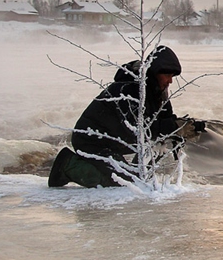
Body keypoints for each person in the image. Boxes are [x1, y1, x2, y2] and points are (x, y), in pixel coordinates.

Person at [48, 45, 204, 188]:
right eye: (168, 75)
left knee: (140, 175)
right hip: (91, 140)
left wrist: (183, 127)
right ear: (155, 72)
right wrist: (175, 127)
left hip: (114, 140)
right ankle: (67, 165)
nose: (170, 81)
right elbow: (139, 129)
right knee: (122, 183)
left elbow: (165, 119)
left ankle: (139, 173)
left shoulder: (157, 89)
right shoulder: (129, 89)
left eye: (172, 76)